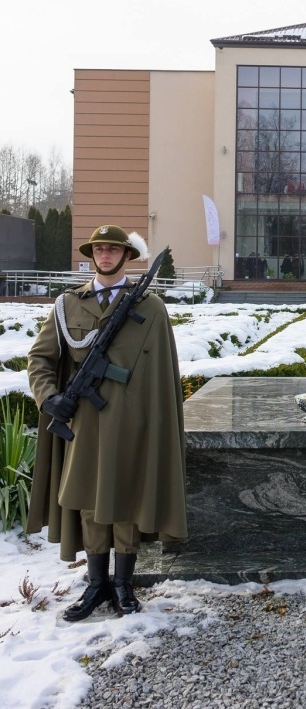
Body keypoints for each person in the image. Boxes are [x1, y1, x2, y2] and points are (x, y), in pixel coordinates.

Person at [26, 226, 187, 622]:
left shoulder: (150, 307)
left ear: (127, 256)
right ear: (92, 255)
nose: (105, 255)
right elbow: (40, 359)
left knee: (127, 498)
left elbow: (162, 372)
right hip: (85, 421)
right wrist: (49, 398)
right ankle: (96, 583)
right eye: (99, 249)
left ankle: (123, 584)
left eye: (113, 249)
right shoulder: (67, 304)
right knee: (88, 500)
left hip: (133, 423)